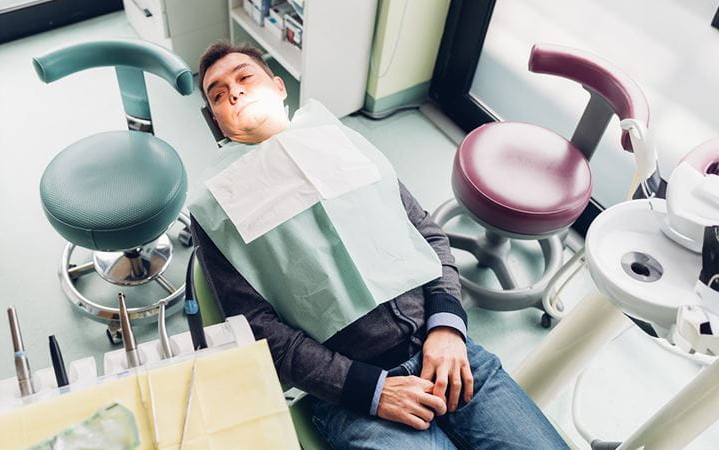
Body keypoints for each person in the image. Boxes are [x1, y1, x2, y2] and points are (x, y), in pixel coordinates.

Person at [189, 41, 567, 449]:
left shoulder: (337, 140)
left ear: (279, 87)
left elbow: (427, 233)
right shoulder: (216, 207)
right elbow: (258, 330)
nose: (235, 92)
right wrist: (369, 390)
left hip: (442, 347)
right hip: (348, 395)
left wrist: (447, 328)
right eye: (218, 94)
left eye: (245, 77)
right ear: (218, 123)